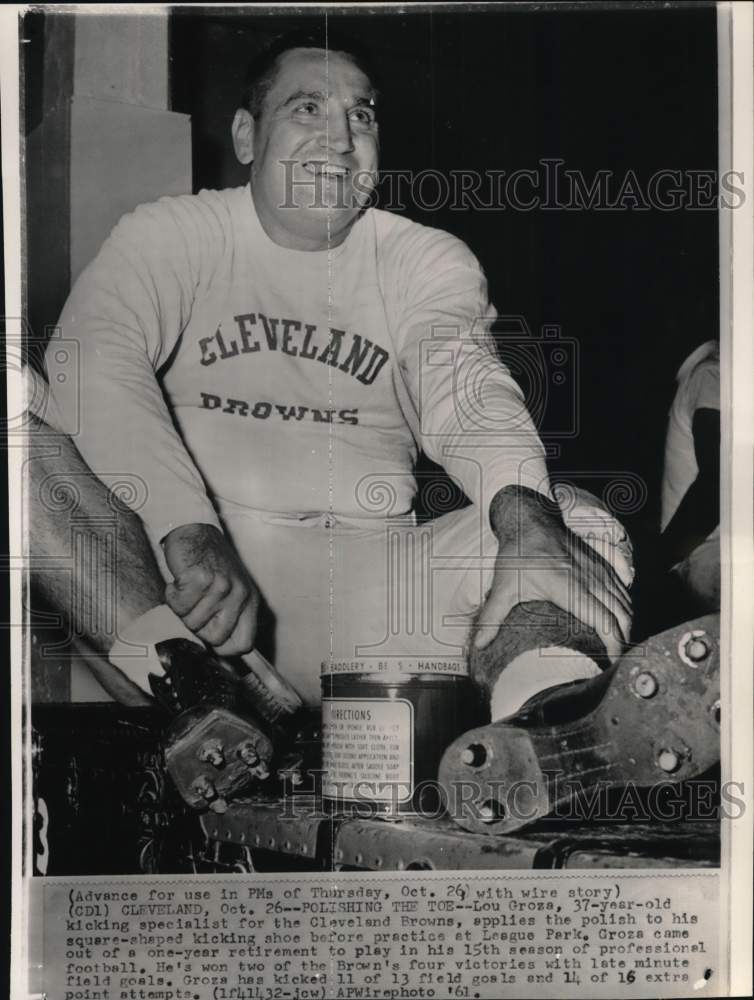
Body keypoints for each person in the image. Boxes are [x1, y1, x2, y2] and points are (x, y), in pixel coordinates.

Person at [37, 31, 632, 714]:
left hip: (375, 592)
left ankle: (534, 728)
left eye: (362, 115)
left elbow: (461, 384)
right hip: (202, 610)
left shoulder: (423, 258)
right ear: (245, 136)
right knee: (27, 443)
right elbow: (92, 361)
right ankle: (207, 718)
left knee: (578, 525)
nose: (342, 139)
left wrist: (525, 520)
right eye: (307, 109)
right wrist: (186, 528)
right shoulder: (173, 234)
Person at [659, 339, 720, 614]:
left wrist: (661, 561)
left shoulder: (709, 374)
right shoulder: (711, 374)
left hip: (707, 553)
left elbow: (717, 479)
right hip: (705, 553)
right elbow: (716, 479)